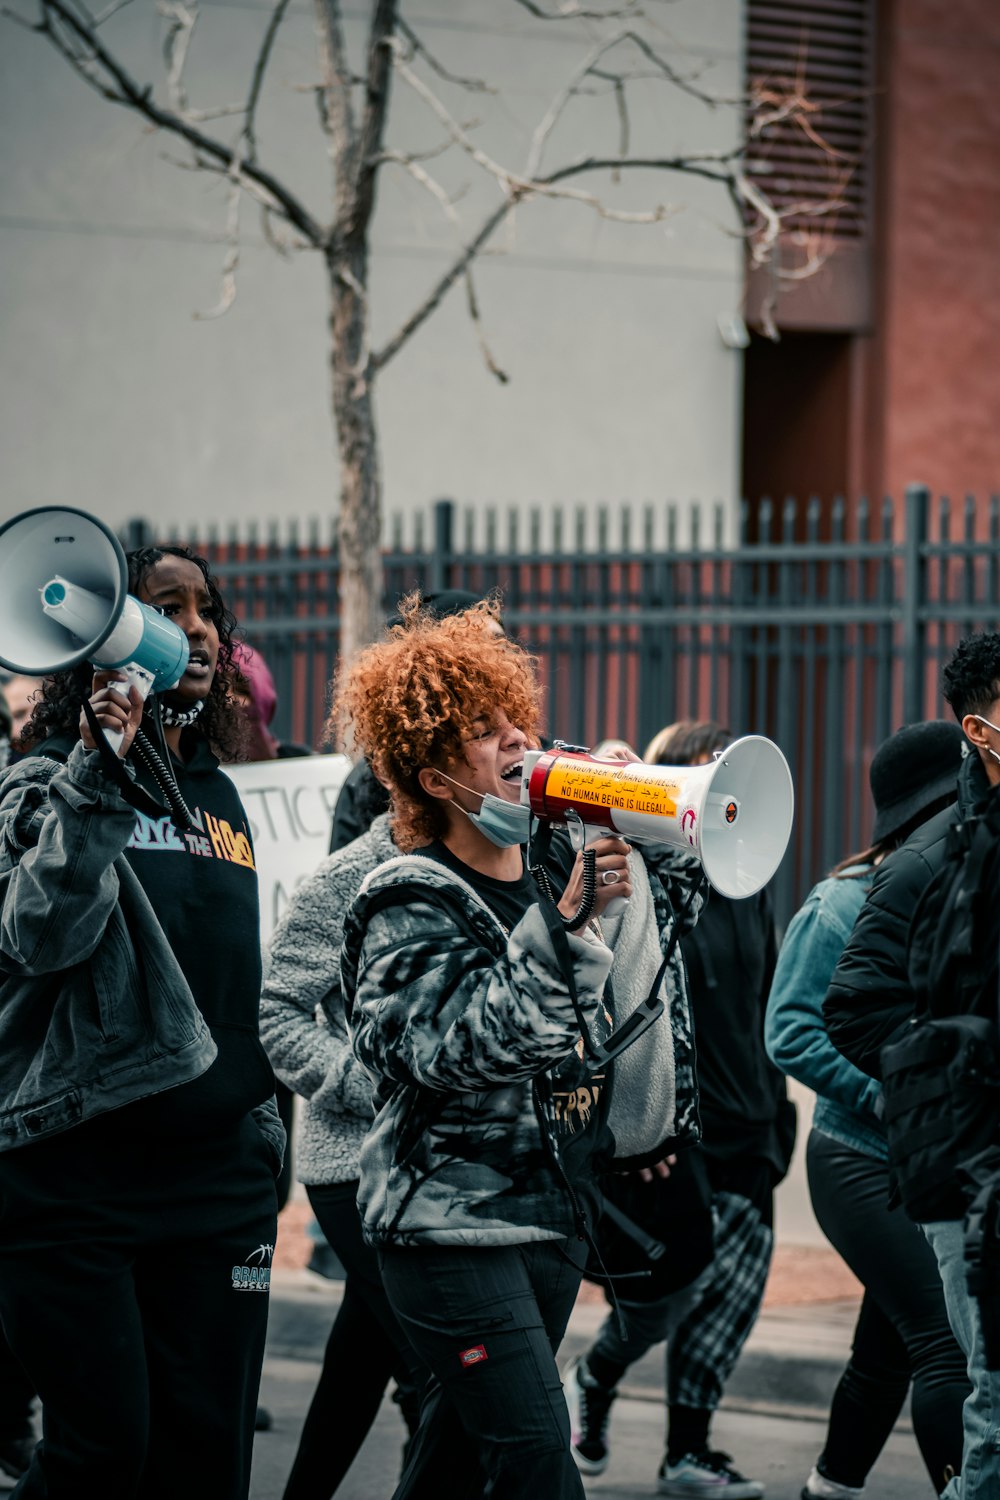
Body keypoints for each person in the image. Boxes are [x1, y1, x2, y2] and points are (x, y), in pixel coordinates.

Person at [334, 596, 702, 1500]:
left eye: (512, 722)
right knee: (541, 1465)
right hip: (448, 1233)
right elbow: (467, 1047)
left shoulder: (551, 864)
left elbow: (647, 982)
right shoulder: (404, 896)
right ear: (429, 777)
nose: (516, 743)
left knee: (453, 1471)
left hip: (550, 1219)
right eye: (479, 732)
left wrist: (642, 847)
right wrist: (570, 921)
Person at [0, 542, 285, 1499]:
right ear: (106, 638)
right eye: (168, 608)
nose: (197, 630)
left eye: (207, 610)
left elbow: (235, 980)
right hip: (75, 1184)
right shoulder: (42, 781)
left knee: (206, 1462)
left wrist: (264, 1127)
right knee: (100, 1459)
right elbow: (38, 937)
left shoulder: (219, 790)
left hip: (218, 1185)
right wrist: (97, 771)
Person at [565, 720, 794, 1499]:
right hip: (678, 1131)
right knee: (664, 1297)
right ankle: (594, 1379)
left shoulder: (747, 886)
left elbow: (760, 1007)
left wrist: (776, 1118)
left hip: (751, 1126)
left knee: (731, 1294)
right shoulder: (649, 883)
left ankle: (687, 1453)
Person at [767, 720, 969, 1500]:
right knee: (944, 1343)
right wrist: (889, 1095)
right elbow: (789, 1030)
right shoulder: (840, 903)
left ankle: (830, 1487)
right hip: (859, 1159)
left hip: (929, 1159)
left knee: (887, 1350)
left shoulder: (958, 890)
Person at [824, 637, 1000, 1500]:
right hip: (967, 1175)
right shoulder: (929, 859)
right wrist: (970, 1077)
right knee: (990, 1400)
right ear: (980, 729)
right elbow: (849, 1011)